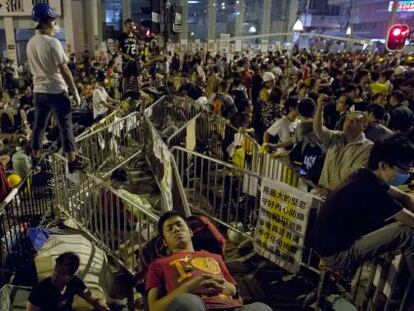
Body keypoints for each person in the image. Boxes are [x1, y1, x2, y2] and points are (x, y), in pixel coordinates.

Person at [308, 135, 414, 280]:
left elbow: (405, 197)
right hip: (337, 255)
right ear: (383, 165)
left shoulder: (363, 174)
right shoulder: (372, 189)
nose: (406, 175)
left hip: (325, 245)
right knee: (406, 233)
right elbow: (409, 220)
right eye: (403, 169)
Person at [146, 211, 273, 311]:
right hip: (194, 306)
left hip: (229, 306)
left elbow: (237, 297)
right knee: (188, 302)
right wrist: (187, 288)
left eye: (179, 224)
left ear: (190, 232)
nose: (176, 229)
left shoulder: (214, 257)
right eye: (169, 228)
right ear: (164, 242)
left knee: (261, 308)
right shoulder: (158, 265)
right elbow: (154, 308)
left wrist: (233, 290)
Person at [27, 3, 85, 173]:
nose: (55, 25)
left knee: (39, 126)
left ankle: (35, 159)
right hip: (56, 91)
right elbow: (64, 69)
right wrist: (74, 90)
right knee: (65, 125)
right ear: (44, 23)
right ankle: (72, 161)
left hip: (39, 92)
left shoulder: (30, 43)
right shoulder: (53, 43)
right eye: (52, 21)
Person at [313, 94, 373, 193]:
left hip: (341, 197)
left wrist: (331, 190)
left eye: (356, 121)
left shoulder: (367, 147)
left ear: (364, 127)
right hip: (322, 190)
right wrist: (320, 107)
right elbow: (318, 131)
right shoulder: (336, 136)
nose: (349, 122)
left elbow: (353, 175)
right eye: (348, 119)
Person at [26, 252, 109, 311]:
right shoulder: (40, 290)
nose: (55, 275)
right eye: (55, 270)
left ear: (70, 277)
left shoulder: (74, 282)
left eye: (62, 274)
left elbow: (94, 301)